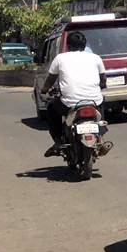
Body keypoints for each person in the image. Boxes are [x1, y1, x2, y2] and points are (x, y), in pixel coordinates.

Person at [40, 30, 107, 158]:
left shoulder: (60, 58)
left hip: (69, 103)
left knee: (51, 109)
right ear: (84, 45)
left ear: (68, 45)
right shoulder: (95, 58)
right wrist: (101, 86)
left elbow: (50, 80)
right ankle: (101, 138)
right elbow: (103, 79)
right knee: (101, 105)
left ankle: (58, 141)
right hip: (94, 101)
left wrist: (44, 90)